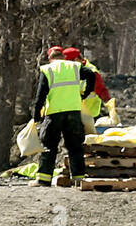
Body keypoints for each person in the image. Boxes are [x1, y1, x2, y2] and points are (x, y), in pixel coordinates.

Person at [32, 46, 97, 187]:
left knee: (48, 145)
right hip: (73, 111)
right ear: (63, 56)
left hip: (54, 113)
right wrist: (85, 93)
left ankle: (44, 179)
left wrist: (36, 114)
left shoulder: (48, 69)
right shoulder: (74, 66)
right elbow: (92, 75)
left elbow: (40, 94)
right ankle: (78, 178)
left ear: (50, 58)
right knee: (75, 146)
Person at [62, 47, 114, 119]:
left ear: (76, 60)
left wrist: (110, 105)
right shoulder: (69, 70)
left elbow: (101, 90)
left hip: (90, 115)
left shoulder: (92, 72)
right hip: (73, 114)